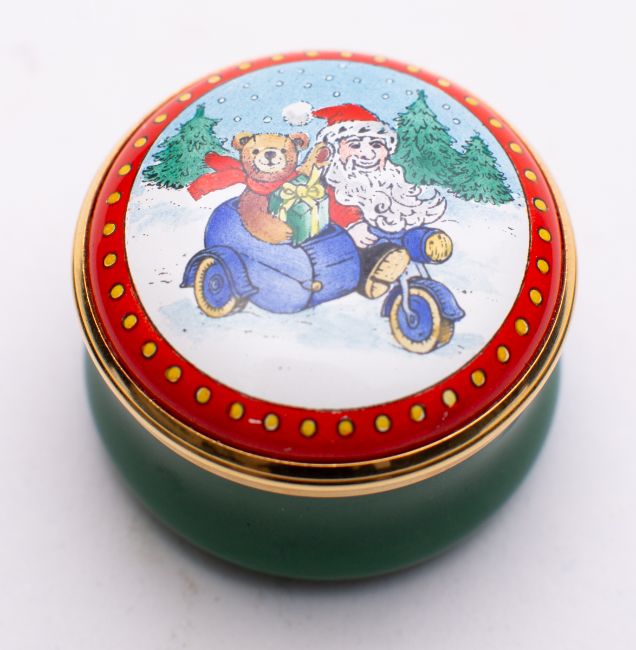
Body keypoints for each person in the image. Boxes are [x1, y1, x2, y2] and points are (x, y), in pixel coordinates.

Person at [284, 102, 448, 298]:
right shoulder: (329, 182)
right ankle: (371, 276)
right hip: (350, 241)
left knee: (403, 237)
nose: (367, 154)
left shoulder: (389, 181)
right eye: (354, 145)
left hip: (387, 231)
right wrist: (351, 225)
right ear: (335, 150)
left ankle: (425, 244)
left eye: (376, 145)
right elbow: (328, 206)